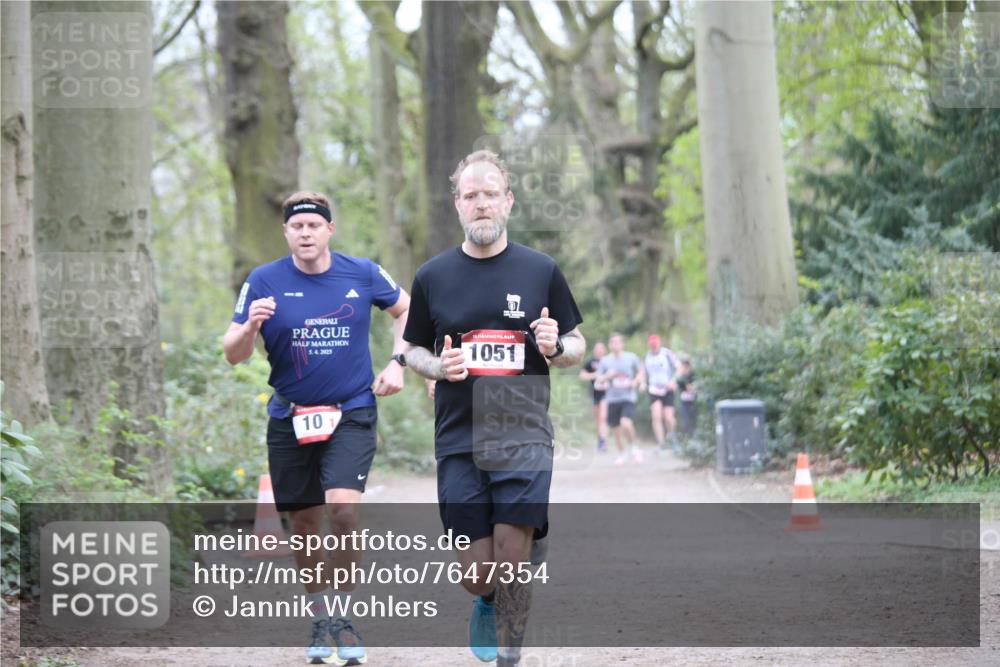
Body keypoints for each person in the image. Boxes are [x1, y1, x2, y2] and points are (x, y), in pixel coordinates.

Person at [401, 150, 585, 667]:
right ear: (457, 205)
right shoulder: (432, 276)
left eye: (490, 194)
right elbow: (412, 348)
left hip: (523, 431)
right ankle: (485, 598)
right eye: (470, 195)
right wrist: (437, 367)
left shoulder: (540, 270)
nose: (480, 204)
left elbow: (576, 345)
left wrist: (554, 346)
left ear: (508, 201)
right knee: (477, 573)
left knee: (511, 555)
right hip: (459, 436)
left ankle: (510, 654)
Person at [223, 190, 410, 666]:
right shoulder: (263, 280)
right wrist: (249, 329)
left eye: (313, 225)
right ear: (286, 233)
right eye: (296, 227)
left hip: (351, 410)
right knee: (305, 524)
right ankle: (320, 615)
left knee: (343, 512)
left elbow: (406, 309)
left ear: (329, 230)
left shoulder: (362, 272)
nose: (305, 233)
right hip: (290, 415)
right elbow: (232, 350)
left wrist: (398, 363)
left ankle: (343, 618)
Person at [597, 333, 644, 465]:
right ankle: (621, 453)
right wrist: (607, 375)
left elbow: (641, 371)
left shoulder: (631, 357)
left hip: (628, 397)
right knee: (616, 430)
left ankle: (635, 447)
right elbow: (599, 379)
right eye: (613, 342)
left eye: (618, 342)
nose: (615, 344)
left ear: (622, 344)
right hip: (612, 399)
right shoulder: (605, 361)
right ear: (610, 345)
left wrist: (636, 381)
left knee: (626, 423)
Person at [644, 334, 682, 452]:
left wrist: (673, 380)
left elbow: (679, 368)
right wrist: (641, 382)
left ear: (659, 343)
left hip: (667, 389)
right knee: (656, 416)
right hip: (654, 390)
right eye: (652, 345)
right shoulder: (647, 357)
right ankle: (661, 443)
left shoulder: (667, 354)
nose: (654, 347)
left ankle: (672, 437)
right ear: (649, 345)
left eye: (655, 344)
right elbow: (643, 372)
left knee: (669, 418)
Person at [578, 341, 610, 452]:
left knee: (603, 417)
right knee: (598, 419)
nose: (599, 351)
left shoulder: (609, 361)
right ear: (595, 350)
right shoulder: (591, 362)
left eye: (601, 349)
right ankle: (601, 439)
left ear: (604, 350)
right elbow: (582, 375)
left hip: (607, 394)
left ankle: (603, 441)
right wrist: (594, 375)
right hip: (594, 393)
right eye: (597, 349)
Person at [676, 356, 698, 436]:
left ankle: (693, 436)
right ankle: (686, 437)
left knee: (694, 420)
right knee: (685, 421)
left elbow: (695, 387)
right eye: (684, 365)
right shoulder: (681, 377)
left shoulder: (693, 375)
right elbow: (681, 384)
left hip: (693, 401)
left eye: (687, 365)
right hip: (684, 402)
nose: (685, 367)